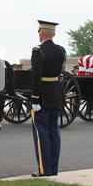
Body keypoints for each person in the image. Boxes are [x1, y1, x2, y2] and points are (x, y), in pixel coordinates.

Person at [30, 20, 66, 177]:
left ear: (43, 33)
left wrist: (35, 99)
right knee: (54, 132)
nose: (38, 34)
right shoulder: (61, 50)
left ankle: (44, 170)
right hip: (57, 96)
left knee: (41, 134)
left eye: (39, 32)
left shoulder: (38, 51)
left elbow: (36, 76)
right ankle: (53, 169)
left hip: (43, 97)